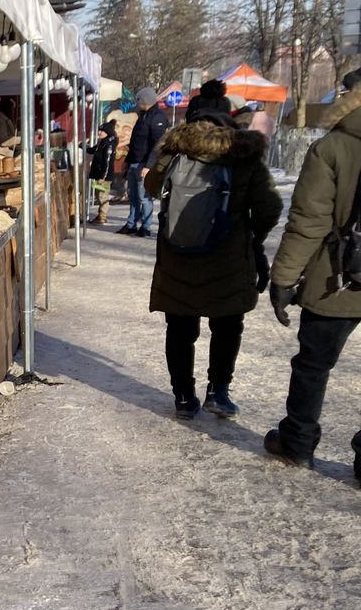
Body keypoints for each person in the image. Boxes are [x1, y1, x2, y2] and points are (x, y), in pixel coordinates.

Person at [144, 109, 282, 419]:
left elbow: (152, 187)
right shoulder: (243, 155)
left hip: (177, 257)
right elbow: (270, 207)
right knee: (227, 326)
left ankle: (183, 396)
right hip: (229, 259)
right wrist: (250, 236)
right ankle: (218, 392)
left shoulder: (175, 151)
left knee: (179, 329)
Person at [264, 84, 361, 475]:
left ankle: (297, 443)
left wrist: (284, 278)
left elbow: (309, 222)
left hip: (335, 277)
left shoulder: (333, 147)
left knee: (313, 366)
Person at [121, 87, 169, 236]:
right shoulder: (143, 116)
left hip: (145, 163)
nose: (137, 104)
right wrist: (127, 161)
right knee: (133, 196)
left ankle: (146, 226)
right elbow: (136, 141)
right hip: (135, 161)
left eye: (139, 101)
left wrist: (149, 166)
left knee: (144, 197)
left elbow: (158, 144)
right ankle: (131, 224)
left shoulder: (157, 117)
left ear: (145, 101)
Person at [85, 119, 118, 225]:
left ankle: (102, 216)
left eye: (101, 131)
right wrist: (82, 146)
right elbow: (92, 150)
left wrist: (103, 176)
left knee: (102, 196)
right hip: (99, 173)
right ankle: (101, 215)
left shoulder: (108, 144)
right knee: (98, 195)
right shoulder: (102, 143)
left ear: (107, 132)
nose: (99, 133)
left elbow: (107, 161)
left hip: (103, 176)